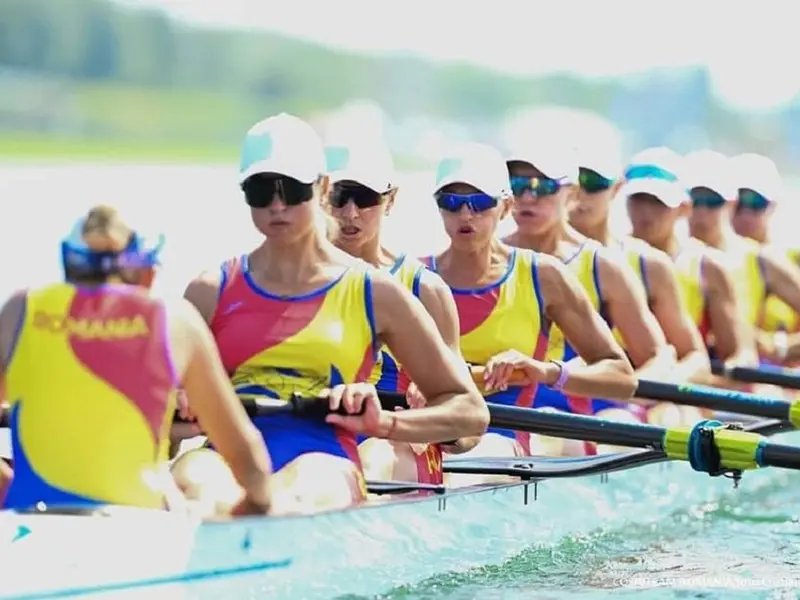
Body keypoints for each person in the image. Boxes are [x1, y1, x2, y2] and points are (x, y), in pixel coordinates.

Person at [180, 114, 489, 514]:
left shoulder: (376, 292)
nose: (277, 205)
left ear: (318, 188)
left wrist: (385, 425)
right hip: (222, 456)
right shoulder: (209, 290)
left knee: (305, 493)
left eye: (291, 190)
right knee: (192, 480)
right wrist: (179, 412)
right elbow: (153, 423)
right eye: (260, 190)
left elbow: (470, 413)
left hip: (322, 457)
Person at [0, 205, 274, 516]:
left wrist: (8, 485)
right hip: (140, 525)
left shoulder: (18, 311)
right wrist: (256, 507)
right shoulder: (175, 320)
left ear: (68, 263)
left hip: (32, 519)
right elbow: (246, 457)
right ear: (147, 273)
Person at [420, 141, 636, 465]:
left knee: (481, 458)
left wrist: (547, 372)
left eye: (479, 202)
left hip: (517, 430)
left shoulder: (544, 275)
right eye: (451, 202)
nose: (465, 214)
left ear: (503, 208)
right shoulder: (415, 277)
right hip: (439, 429)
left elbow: (622, 379)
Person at [500, 140, 680, 438]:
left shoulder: (604, 265)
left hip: (583, 418)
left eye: (542, 187)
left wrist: (621, 395)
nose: (527, 197)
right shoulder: (487, 258)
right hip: (506, 412)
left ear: (571, 192)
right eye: (517, 185)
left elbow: (658, 359)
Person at [325, 140, 476, 486]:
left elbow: (468, 427)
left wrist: (434, 416)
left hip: (391, 448)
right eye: (338, 197)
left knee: (372, 462)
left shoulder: (426, 290)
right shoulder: (287, 282)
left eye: (364, 199)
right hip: (306, 438)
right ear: (319, 195)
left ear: (390, 199)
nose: (350, 213)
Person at [622, 147, 755, 372]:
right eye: (638, 199)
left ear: (684, 208)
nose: (646, 212)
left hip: (682, 392)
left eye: (658, 202)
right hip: (619, 390)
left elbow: (740, 355)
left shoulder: (709, 267)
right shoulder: (608, 259)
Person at [685, 150, 800, 366]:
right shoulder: (667, 259)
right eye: (695, 201)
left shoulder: (761, 259)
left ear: (728, 202)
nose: (701, 211)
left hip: (745, 380)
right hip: (696, 377)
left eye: (756, 203)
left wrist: (781, 347)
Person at [728, 153, 800, 364]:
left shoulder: (786, 259)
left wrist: (780, 346)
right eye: (739, 203)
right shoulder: (700, 259)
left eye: (756, 203)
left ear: (773, 206)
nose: (745, 214)